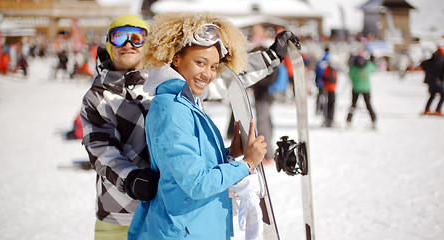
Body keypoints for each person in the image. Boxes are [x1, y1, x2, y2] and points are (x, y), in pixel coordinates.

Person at [80, 14, 300, 240]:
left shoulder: (167, 83)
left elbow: (225, 78)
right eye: (120, 37)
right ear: (108, 42)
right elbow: (101, 150)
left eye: (137, 37)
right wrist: (131, 179)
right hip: (120, 209)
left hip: (168, 207)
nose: (129, 44)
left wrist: (270, 57)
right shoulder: (99, 97)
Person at [127, 12, 269, 240]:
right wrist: (247, 164)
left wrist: (229, 154)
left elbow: (190, 164)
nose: (208, 74)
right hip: (184, 230)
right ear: (176, 59)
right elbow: (196, 183)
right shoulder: (171, 108)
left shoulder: (186, 103)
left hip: (196, 226)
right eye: (200, 62)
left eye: (214, 67)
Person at [346, 53, 378, 129]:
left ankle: (349, 120)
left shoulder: (354, 67)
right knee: (368, 105)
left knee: (353, 105)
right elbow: (375, 69)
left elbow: (350, 75)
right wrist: (372, 61)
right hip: (366, 89)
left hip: (356, 88)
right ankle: (374, 120)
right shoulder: (368, 65)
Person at [420, 48, 444, 116]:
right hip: (439, 81)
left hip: (430, 81)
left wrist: (429, 73)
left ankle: (427, 110)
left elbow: (423, 64)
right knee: (443, 96)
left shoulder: (431, 60)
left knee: (432, 96)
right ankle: (438, 110)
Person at [321, 57, 337, 127]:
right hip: (329, 89)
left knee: (330, 105)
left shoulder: (329, 70)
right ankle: (328, 119)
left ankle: (329, 119)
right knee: (328, 105)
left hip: (330, 89)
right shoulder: (329, 70)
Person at [314, 47, 330, 115]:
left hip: (320, 81)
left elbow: (316, 70)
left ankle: (318, 109)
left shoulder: (321, 59)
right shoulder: (330, 59)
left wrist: (316, 81)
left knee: (320, 96)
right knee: (326, 98)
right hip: (327, 82)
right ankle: (324, 111)